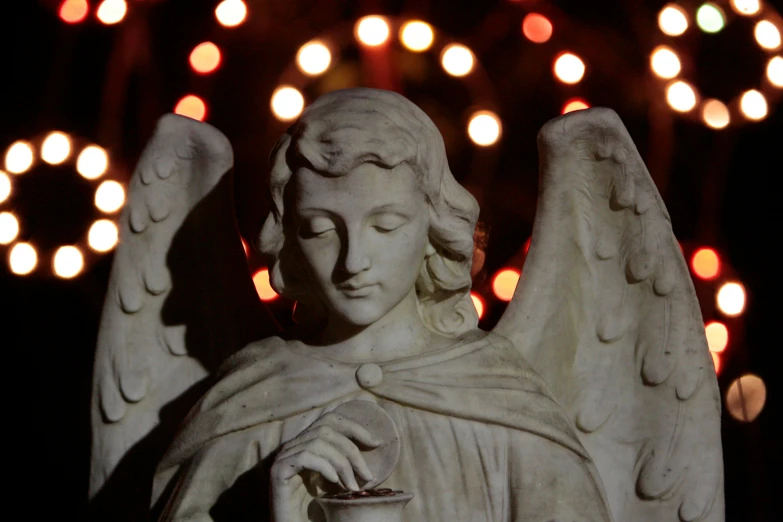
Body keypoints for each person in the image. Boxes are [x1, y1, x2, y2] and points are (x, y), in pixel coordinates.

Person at [151, 88, 612, 521]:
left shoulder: (500, 395)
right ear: (289, 240)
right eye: (320, 229)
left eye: (386, 225)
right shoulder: (254, 394)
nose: (354, 261)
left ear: (432, 230)